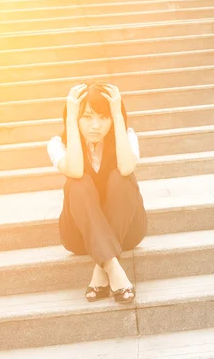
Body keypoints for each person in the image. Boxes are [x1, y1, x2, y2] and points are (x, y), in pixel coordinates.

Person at [46, 82, 147, 303]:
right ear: (75, 118)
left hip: (128, 231)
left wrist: (118, 117)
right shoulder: (57, 144)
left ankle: (101, 273)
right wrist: (71, 120)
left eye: (103, 117)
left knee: (122, 178)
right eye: (87, 117)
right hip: (79, 237)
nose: (95, 126)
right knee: (77, 181)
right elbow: (73, 169)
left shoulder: (126, 136)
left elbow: (127, 168)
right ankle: (112, 266)